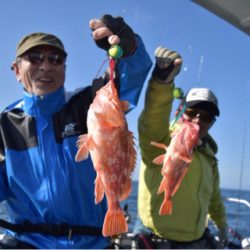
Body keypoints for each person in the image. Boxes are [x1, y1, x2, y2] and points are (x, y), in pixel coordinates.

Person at [0, 14, 152, 249]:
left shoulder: (88, 102)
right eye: (35, 58)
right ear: (16, 69)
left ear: (65, 67)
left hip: (93, 242)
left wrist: (130, 51)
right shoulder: (4, 127)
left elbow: (127, 81)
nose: (46, 65)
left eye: (56, 59)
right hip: (27, 242)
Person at [133, 46, 228, 249]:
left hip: (196, 241)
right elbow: (152, 122)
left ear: (211, 123)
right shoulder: (162, 140)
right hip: (156, 240)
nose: (198, 119)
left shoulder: (210, 158)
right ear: (180, 109)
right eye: (192, 111)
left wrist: (221, 225)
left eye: (207, 116)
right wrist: (162, 81)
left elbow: (214, 199)